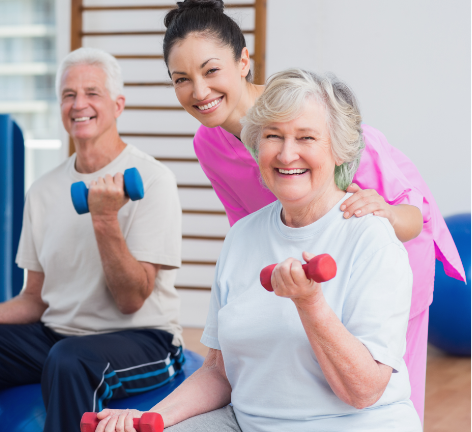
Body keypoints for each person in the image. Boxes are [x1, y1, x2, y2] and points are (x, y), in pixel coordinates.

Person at [157, 0, 465, 423]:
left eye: (211, 71)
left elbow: (415, 218)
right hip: (306, 263)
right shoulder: (208, 145)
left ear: (243, 61)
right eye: (182, 79)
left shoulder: (316, 118)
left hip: (386, 255)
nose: (199, 91)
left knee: (382, 389)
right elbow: (245, 228)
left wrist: (388, 216)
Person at [96, 68, 423, 432]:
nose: (286, 154)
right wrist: (151, 418)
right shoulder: (243, 236)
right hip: (248, 423)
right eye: (273, 136)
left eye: (306, 138)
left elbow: (363, 391)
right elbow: (220, 372)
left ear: (339, 149)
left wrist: (310, 303)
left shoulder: (370, 237)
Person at [0, 48, 185, 432]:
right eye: (68, 95)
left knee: (70, 360)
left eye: (92, 93)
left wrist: (105, 217)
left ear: (118, 104)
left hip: (143, 340)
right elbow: (36, 298)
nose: (79, 104)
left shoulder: (153, 180)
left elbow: (130, 300)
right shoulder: (43, 190)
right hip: (58, 338)